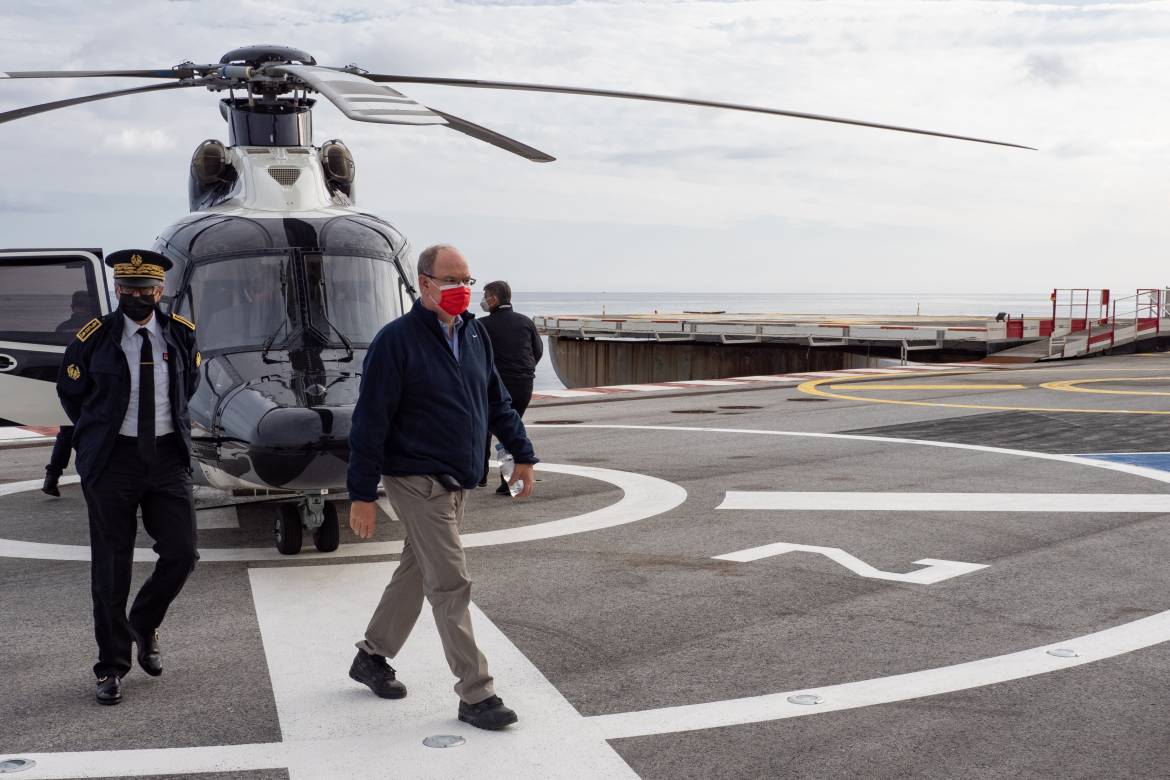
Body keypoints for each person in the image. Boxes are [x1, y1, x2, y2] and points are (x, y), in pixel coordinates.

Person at [346, 243, 537, 731]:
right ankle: (476, 693)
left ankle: (372, 655)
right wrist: (362, 494)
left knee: (417, 568)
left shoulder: (474, 335)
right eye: (451, 280)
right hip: (414, 477)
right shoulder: (396, 341)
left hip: (458, 479)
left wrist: (523, 453)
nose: (461, 290)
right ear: (424, 283)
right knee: (450, 582)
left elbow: (496, 400)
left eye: (467, 281)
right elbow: (370, 422)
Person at [56, 249, 201, 706]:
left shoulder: (180, 335)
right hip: (113, 462)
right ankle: (111, 667)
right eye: (128, 289)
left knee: (182, 553)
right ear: (117, 289)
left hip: (165, 458)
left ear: (161, 291)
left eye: (145, 289)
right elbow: (72, 394)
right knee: (111, 569)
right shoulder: (94, 338)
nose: (136, 296)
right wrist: (95, 441)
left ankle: (144, 620)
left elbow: (187, 389)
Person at [477, 280, 544, 493]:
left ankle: (482, 476)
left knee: (484, 429)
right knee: (511, 428)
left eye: (485, 295)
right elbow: (538, 350)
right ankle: (509, 480)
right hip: (524, 384)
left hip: (497, 386)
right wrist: (525, 369)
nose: (483, 300)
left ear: (493, 299)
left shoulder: (481, 325)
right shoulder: (525, 322)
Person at [43, 291, 101, 495]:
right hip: (93, 389)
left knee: (66, 433)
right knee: (91, 437)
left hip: (70, 387)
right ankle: (92, 475)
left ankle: (52, 477)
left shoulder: (62, 328)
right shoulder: (98, 330)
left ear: (72, 307)